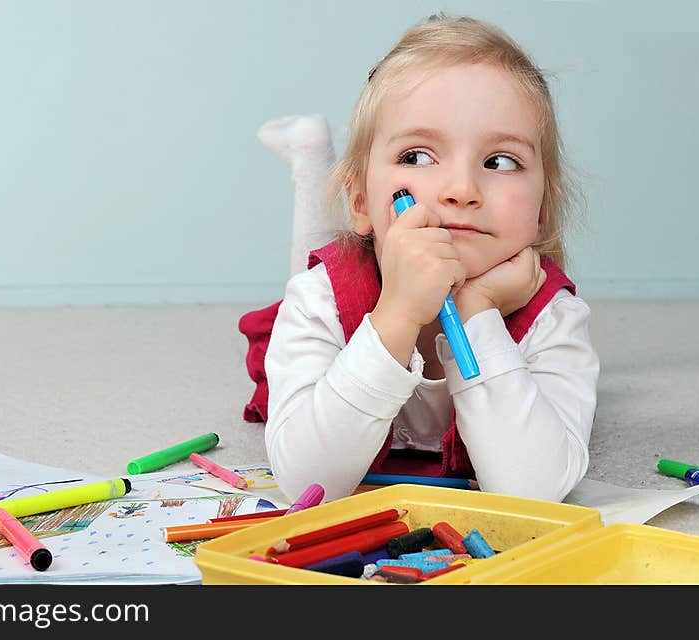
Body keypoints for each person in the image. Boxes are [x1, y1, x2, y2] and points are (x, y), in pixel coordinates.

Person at [238, 14, 600, 504]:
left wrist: (479, 310)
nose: (462, 191)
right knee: (280, 331)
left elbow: (533, 491)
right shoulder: (321, 297)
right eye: (416, 156)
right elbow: (310, 486)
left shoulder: (552, 315)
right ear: (363, 202)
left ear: (542, 213)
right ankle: (311, 162)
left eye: (500, 162)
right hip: (347, 312)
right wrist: (398, 314)